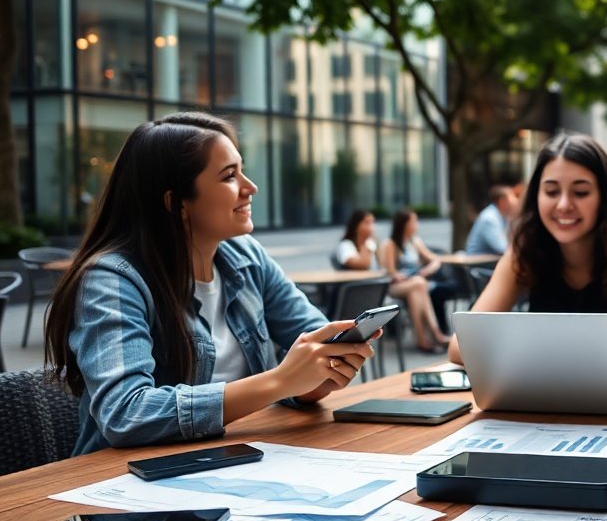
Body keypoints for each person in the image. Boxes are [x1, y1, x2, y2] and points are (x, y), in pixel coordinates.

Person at [44, 112, 377, 455]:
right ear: (176, 203)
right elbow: (127, 414)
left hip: (246, 457)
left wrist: (317, 375)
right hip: (131, 482)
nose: (251, 187)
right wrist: (280, 381)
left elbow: (310, 336)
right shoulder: (112, 280)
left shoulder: (246, 257)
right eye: (230, 176)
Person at [448, 132, 607, 364]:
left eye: (580, 192)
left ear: (605, 197)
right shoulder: (526, 248)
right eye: (551, 191)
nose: (564, 204)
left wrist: (562, 355)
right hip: (548, 400)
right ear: (537, 196)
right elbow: (460, 346)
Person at [378, 208, 455, 352]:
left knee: (418, 287)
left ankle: (423, 339)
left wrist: (428, 269)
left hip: (415, 284)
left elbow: (435, 260)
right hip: (394, 286)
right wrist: (397, 275)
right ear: (404, 224)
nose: (417, 224)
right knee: (419, 284)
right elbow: (388, 271)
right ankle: (435, 334)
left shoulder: (415, 242)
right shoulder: (390, 244)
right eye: (414, 221)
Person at [464, 183, 521, 255]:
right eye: (513, 196)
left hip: (491, 262)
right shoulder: (490, 219)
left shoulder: (504, 217)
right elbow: (503, 248)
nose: (516, 201)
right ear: (502, 201)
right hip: (478, 264)